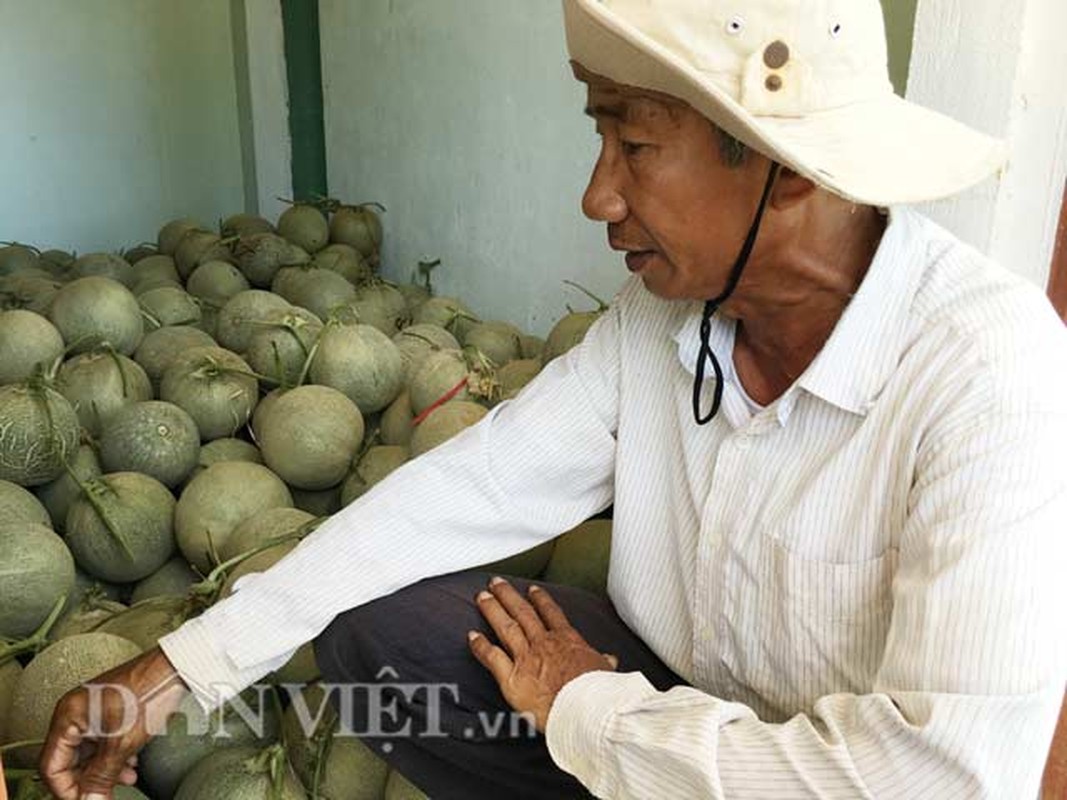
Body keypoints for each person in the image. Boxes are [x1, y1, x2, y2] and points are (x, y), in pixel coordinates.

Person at [42, 1, 1067, 798]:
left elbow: (939, 776)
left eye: (635, 143)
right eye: (599, 135)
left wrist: (585, 706)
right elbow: (467, 486)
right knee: (379, 629)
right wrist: (177, 666)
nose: (598, 194)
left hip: (821, 772)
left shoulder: (987, 369)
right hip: (667, 709)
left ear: (782, 170)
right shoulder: (656, 321)